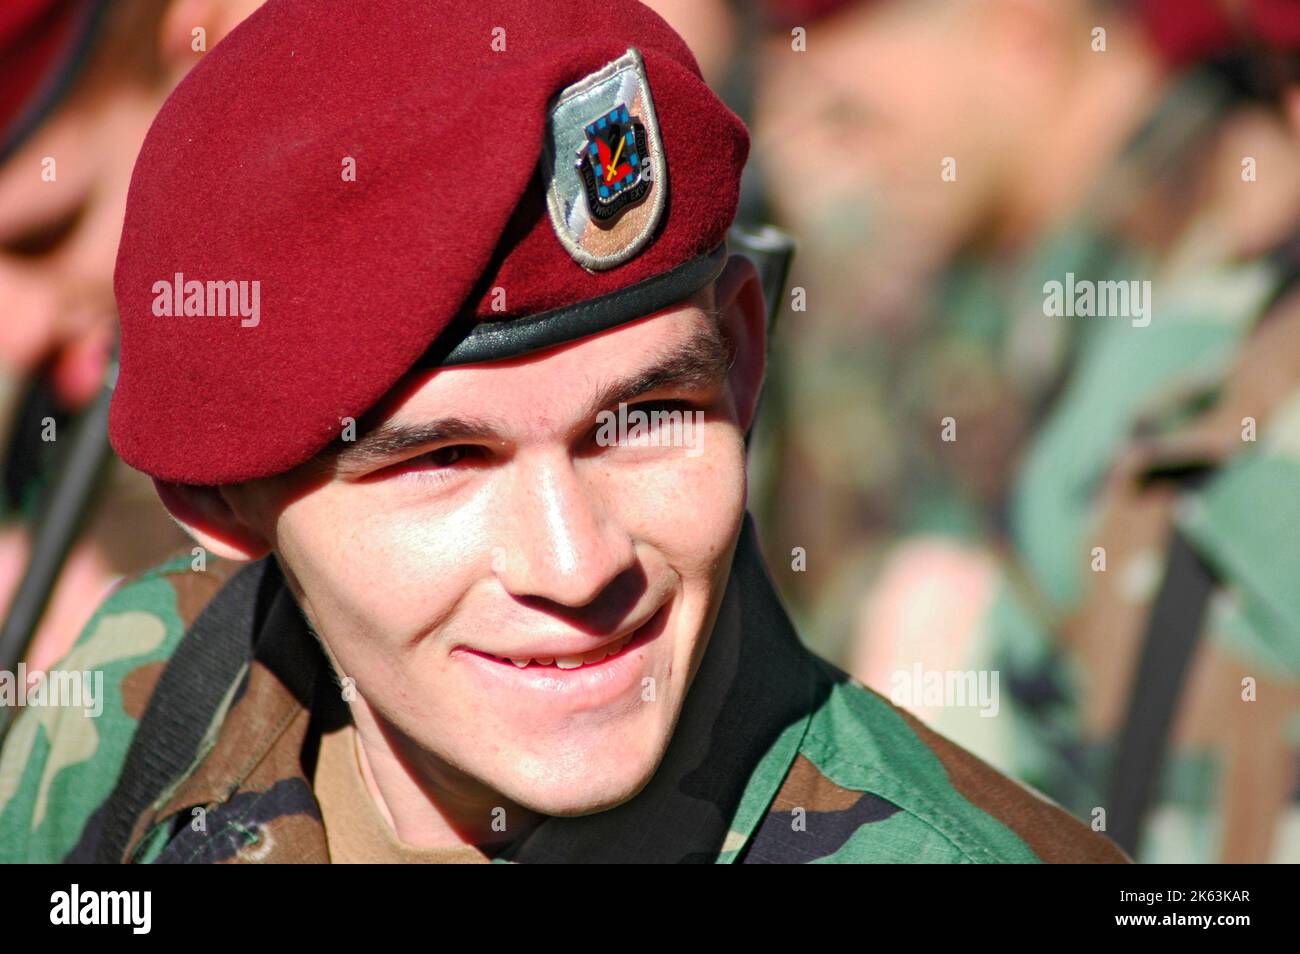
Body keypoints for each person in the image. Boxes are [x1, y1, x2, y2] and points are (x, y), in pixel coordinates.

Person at [0, 0, 1127, 864]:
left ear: (740, 360)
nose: (577, 564)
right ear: (217, 500)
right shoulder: (142, 696)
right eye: (444, 460)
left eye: (643, 421)